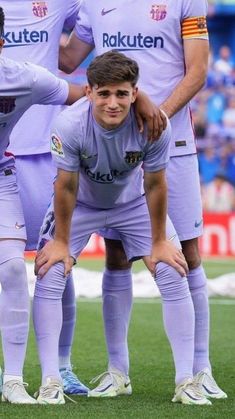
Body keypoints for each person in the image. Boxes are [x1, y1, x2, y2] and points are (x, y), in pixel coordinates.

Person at [59, 0, 227, 401]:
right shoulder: (94, 4)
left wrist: (157, 119)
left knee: (185, 251)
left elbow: (198, 71)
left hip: (173, 141)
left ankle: (199, 369)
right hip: (111, 142)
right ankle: (118, 371)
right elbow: (67, 60)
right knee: (116, 253)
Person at [2, 0, 166, 396]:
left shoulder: (25, 74)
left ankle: (57, 367)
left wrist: (135, 97)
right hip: (21, 157)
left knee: (50, 261)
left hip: (43, 154)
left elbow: (83, 88)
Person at [0, 6, 86, 403]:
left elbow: (83, 96)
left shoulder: (21, 77)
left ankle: (15, 379)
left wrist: (140, 104)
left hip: (9, 174)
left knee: (19, 268)